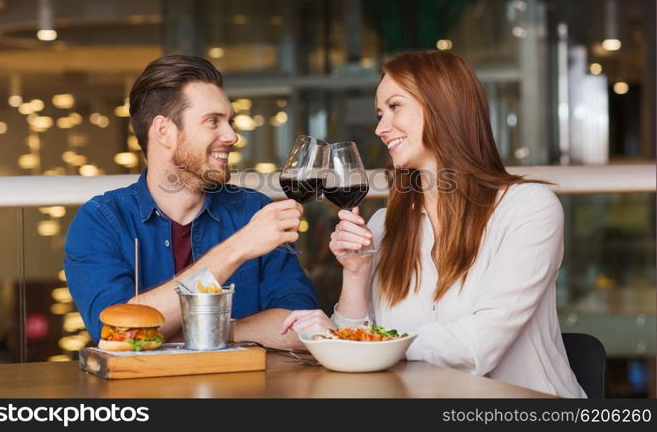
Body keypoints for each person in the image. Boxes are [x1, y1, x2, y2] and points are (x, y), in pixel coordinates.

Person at [281, 50, 586, 398]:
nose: (381, 128)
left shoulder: (528, 209)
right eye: (380, 114)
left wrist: (356, 343)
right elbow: (355, 359)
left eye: (395, 107)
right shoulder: (385, 224)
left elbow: (477, 346)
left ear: (444, 107)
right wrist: (356, 272)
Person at [64, 55, 317, 349]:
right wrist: (237, 248)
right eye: (213, 121)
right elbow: (114, 332)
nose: (232, 136)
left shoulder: (254, 211)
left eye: (230, 121)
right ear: (164, 132)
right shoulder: (101, 221)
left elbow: (302, 325)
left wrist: (196, 332)